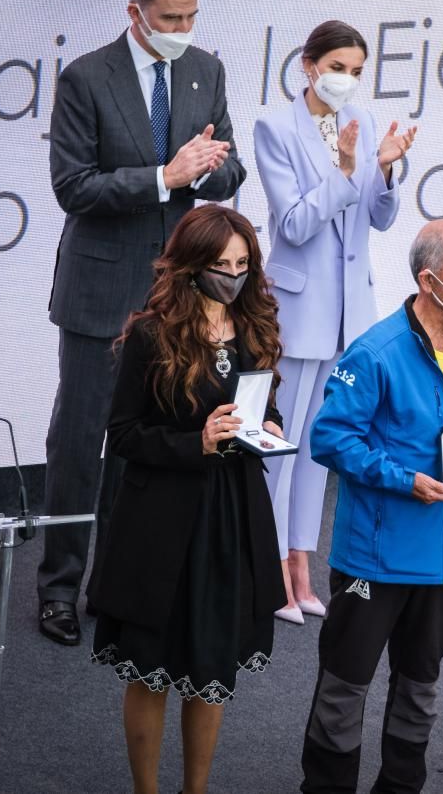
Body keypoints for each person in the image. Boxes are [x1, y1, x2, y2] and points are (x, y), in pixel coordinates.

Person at [40, 0, 246, 646]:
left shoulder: (205, 70)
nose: (183, 28)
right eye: (170, 19)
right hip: (102, 292)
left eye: (191, 17)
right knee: (80, 443)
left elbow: (230, 166)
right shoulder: (85, 78)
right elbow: (74, 187)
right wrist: (164, 175)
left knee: (141, 446)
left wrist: (213, 171)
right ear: (135, 14)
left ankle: (113, 584)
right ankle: (59, 589)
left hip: (173, 299)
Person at [88, 204, 287, 794]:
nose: (233, 274)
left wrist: (267, 425)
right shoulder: (152, 333)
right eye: (222, 263)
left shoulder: (253, 328)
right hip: (162, 522)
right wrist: (194, 442)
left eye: (243, 263)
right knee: (151, 669)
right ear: (192, 265)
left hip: (232, 517)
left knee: (213, 666)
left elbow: (258, 404)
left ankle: (194, 790)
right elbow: (122, 434)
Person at [300, 221, 443, 794]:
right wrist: (403, 480)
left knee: (420, 690)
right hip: (376, 558)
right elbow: (331, 440)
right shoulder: (374, 353)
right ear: (429, 279)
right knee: (344, 691)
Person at [253, 19, 417, 624]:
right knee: (281, 445)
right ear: (309, 65)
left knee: (321, 448)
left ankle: (301, 563)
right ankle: (267, 567)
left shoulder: (367, 123)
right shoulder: (274, 125)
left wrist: (388, 171)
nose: (347, 80)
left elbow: (376, 218)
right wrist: (346, 172)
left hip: (351, 312)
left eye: (356, 70)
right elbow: (294, 224)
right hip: (297, 308)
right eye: (338, 67)